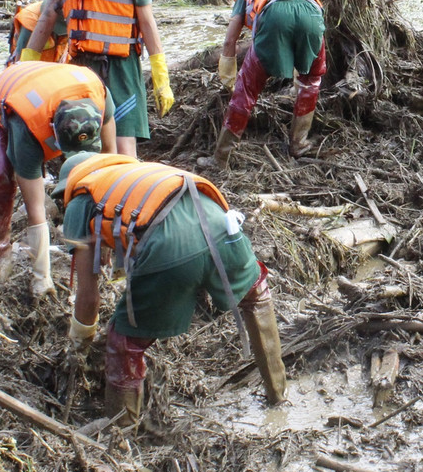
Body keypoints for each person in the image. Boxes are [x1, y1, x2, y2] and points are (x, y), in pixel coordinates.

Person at [57, 152, 286, 427]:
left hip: (172, 247)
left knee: (124, 340)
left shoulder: (80, 199)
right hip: (223, 227)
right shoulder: (136, 174)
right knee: (256, 292)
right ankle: (278, 395)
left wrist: (78, 347)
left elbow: (88, 296)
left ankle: (119, 433)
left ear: (69, 185)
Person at [26, 0, 173, 157]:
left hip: (121, 69)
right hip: (80, 67)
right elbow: (48, 13)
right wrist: (25, 63)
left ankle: (126, 194)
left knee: (123, 147)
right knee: (81, 145)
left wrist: (160, 75)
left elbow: (147, 21)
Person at [0, 62, 116, 292]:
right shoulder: (27, 125)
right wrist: (41, 275)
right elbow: (35, 211)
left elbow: (111, 162)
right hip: (8, 104)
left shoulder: (100, 95)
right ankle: (0, 255)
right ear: (53, 130)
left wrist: (107, 237)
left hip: (56, 84)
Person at [208, 0, 325, 168]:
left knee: (246, 89)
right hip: (313, 14)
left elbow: (230, 41)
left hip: (275, 15)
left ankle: (220, 158)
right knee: (311, 81)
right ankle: (299, 144)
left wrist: (228, 80)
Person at [8, 0, 68, 64]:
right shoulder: (30, 21)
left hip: (53, 66)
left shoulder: (72, 13)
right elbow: (19, 60)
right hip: (29, 65)